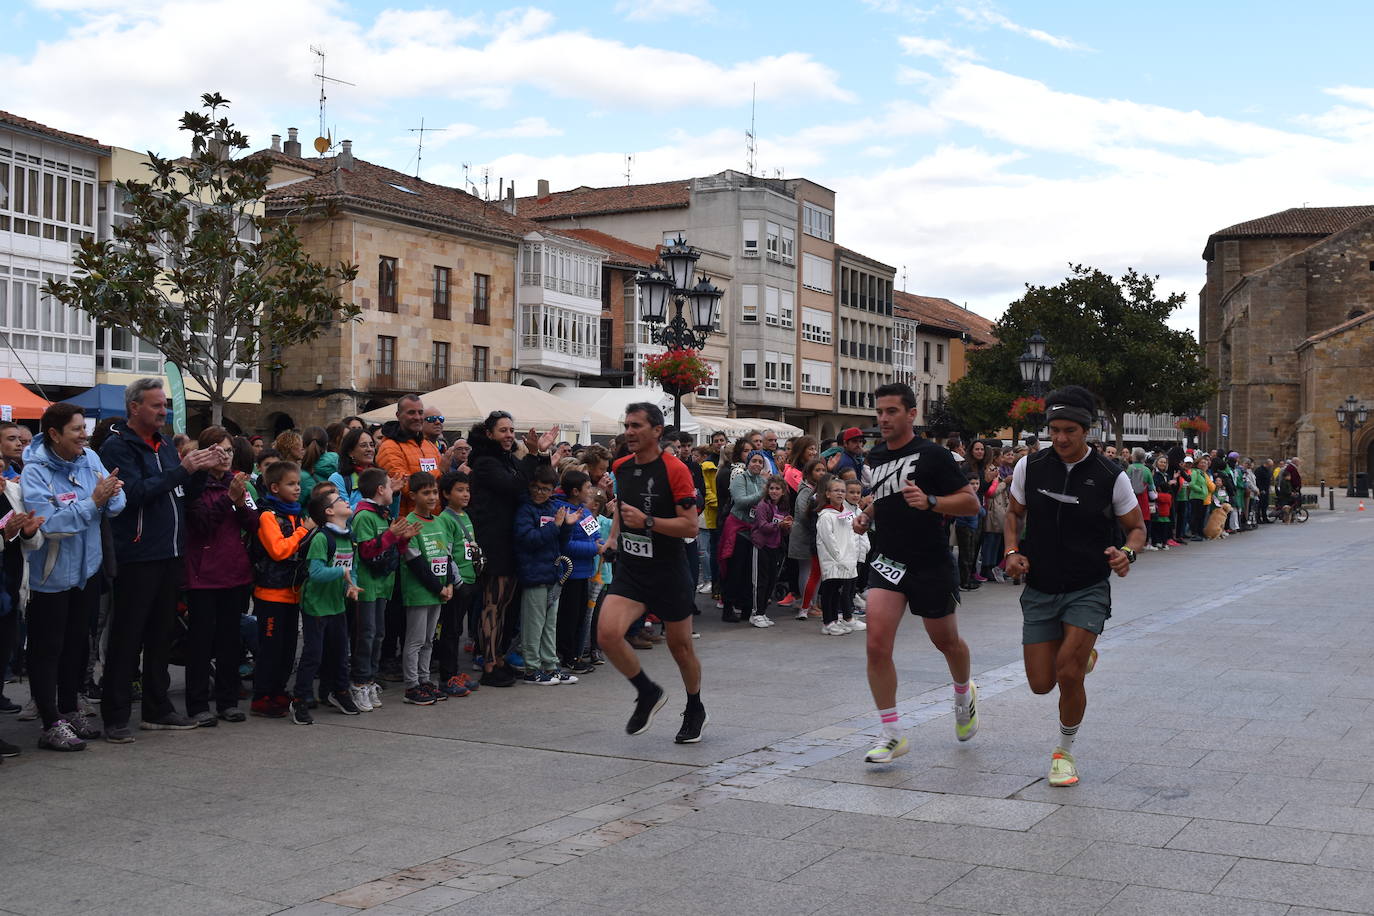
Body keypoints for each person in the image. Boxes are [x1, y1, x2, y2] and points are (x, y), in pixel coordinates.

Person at [1002, 385, 1145, 788]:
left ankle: (1064, 753)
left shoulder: (1109, 476)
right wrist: (1012, 551)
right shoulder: (1030, 468)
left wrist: (1126, 554)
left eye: (1070, 430)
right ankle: (1082, 657)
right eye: (1054, 430)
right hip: (1041, 585)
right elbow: (1013, 514)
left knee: (1067, 674)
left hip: (1087, 586)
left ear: (1087, 430)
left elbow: (1136, 529)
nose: (1061, 438)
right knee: (1040, 683)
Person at [851, 383, 982, 765]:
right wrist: (867, 514)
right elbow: (885, 494)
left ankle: (962, 691)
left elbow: (970, 503)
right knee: (876, 645)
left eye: (892, 411)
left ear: (912, 414)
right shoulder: (875, 455)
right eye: (879, 412)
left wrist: (932, 502)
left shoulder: (935, 456)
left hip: (929, 562)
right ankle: (891, 733)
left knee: (946, 641)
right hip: (889, 561)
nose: (883, 418)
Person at [99, 379, 221, 740]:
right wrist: (182, 470)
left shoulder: (166, 445)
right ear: (134, 407)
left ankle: (158, 708)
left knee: (160, 636)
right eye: (155, 405)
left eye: (164, 405)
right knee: (127, 637)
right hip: (137, 555)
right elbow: (133, 493)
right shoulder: (117, 447)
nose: (163, 411)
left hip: (170, 553)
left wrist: (198, 472)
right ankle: (116, 716)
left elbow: (180, 492)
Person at [597, 402, 706, 743]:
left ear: (657, 430)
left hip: (668, 569)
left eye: (637, 426)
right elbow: (623, 509)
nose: (629, 432)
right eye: (627, 425)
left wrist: (647, 522)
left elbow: (690, 527)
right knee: (607, 634)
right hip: (632, 568)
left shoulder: (676, 470)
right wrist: (614, 537)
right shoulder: (621, 467)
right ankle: (647, 692)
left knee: (680, 647)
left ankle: (694, 706)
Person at [21, 403, 106, 750]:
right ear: (54, 434)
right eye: (76, 430)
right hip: (50, 576)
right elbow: (50, 524)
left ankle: (70, 710)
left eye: (84, 429)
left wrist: (104, 500)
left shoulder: (89, 458)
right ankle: (49, 722)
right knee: (48, 650)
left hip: (87, 570)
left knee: (76, 645)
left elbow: (117, 499)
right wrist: (93, 504)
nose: (84, 436)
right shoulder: (34, 472)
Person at [467, 411, 557, 687]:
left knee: (503, 605)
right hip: (492, 541)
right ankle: (490, 663)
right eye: (503, 430)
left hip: (508, 540)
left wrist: (538, 454)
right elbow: (516, 485)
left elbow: (528, 481)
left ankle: (498, 657)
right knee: (493, 604)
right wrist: (531, 455)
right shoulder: (484, 462)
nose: (508, 435)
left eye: (511, 430)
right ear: (489, 433)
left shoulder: (505, 460)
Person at [184, 426, 258, 726]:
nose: (225, 456)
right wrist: (228, 499)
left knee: (230, 641)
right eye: (218, 451)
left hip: (234, 573)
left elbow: (254, 523)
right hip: (202, 575)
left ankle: (227, 701)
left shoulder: (238, 484)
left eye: (228, 451)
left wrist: (240, 502)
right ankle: (198, 704)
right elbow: (202, 523)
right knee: (201, 643)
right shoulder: (195, 484)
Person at [249, 460, 315, 718]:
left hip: (292, 592)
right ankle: (262, 696)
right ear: (274, 487)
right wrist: (302, 531)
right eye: (291, 484)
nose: (297, 488)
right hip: (271, 593)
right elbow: (278, 551)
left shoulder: (296, 513)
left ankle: (277, 690)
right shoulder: (268, 515)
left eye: (298, 483)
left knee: (288, 649)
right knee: (271, 648)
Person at [291, 489, 362, 725]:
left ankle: (339, 691)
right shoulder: (322, 538)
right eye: (339, 500)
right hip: (316, 607)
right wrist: (341, 572)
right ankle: (299, 699)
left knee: (341, 653)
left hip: (336, 605)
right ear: (329, 511)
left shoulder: (348, 536)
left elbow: (351, 570)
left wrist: (351, 586)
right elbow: (317, 572)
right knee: (313, 655)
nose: (345, 501)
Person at [349, 469, 417, 711]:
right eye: (389, 487)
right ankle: (359, 682)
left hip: (382, 586)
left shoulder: (384, 515)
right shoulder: (364, 516)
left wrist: (403, 539)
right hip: (367, 585)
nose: (393, 491)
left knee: (378, 633)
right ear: (380, 490)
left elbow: (389, 552)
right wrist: (391, 535)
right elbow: (367, 551)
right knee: (365, 635)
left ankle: (371, 678)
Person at [512, 465, 577, 686]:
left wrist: (567, 526)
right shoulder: (525, 510)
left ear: (552, 490)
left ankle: (550, 665)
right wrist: (556, 526)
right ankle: (531, 668)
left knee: (550, 623)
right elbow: (528, 540)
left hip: (551, 572)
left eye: (546, 489)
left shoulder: (553, 508)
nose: (540, 492)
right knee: (534, 623)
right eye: (537, 488)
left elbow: (560, 542)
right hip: (533, 573)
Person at [399, 472, 456, 704]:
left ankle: (424, 680)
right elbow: (416, 562)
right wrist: (437, 587)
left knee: (430, 639)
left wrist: (450, 583)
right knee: (415, 640)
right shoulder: (410, 523)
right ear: (413, 496)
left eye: (434, 492)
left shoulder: (440, 520)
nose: (432, 497)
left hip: (440, 591)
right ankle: (411, 686)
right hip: (421, 591)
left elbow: (447, 554)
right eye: (426, 493)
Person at [436, 470, 481, 696]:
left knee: (457, 629)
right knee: (451, 631)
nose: (465, 495)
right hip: (458, 582)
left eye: (467, 490)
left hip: (470, 578)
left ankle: (454, 672)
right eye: (459, 490)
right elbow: (447, 553)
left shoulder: (465, 515)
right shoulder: (445, 519)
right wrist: (457, 581)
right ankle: (447, 676)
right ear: (446, 493)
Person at [554, 469, 603, 673]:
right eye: (587, 487)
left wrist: (600, 543)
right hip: (569, 573)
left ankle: (575, 653)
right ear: (575, 491)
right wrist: (595, 548)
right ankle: (568, 656)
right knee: (569, 617)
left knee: (580, 615)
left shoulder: (584, 509)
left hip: (586, 571)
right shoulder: (562, 510)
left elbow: (596, 532)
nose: (590, 490)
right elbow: (565, 545)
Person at [376, 394, 443, 517]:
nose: (417, 417)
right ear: (398, 416)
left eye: (420, 412)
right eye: (411, 413)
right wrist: (440, 471)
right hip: (407, 523)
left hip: (434, 520)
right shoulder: (389, 446)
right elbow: (405, 487)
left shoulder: (429, 445)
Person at [722, 452, 767, 623]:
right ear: (748, 463)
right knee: (735, 570)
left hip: (755, 531)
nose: (757, 464)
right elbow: (740, 501)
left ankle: (747, 607)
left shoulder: (763, 481)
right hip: (738, 529)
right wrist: (762, 494)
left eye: (760, 462)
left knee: (751, 572)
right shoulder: (740, 479)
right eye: (754, 461)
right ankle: (728, 608)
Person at [815, 476, 857, 636]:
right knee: (829, 591)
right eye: (836, 490)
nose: (840, 493)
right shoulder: (826, 516)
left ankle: (835, 619)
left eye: (842, 491)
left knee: (837, 592)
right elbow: (828, 540)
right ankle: (828, 622)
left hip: (845, 560)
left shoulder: (847, 513)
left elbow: (851, 535)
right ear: (827, 494)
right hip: (832, 560)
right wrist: (838, 558)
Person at [786, 459, 828, 620]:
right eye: (818, 470)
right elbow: (805, 514)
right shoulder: (805, 491)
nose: (821, 473)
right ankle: (808, 603)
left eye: (823, 470)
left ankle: (812, 602)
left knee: (815, 571)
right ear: (809, 474)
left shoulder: (817, 490)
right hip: (804, 535)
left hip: (812, 534)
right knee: (807, 570)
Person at [747, 476, 790, 628]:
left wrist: (786, 527)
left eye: (777, 489)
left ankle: (762, 612)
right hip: (761, 546)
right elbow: (763, 526)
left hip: (774, 547)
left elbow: (781, 529)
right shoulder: (762, 506)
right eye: (771, 488)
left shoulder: (783, 508)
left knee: (771, 581)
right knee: (760, 581)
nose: (774, 491)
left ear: (783, 491)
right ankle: (755, 613)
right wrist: (779, 525)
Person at [329, 427, 381, 508]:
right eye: (363, 445)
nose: (370, 449)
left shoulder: (381, 476)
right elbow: (343, 513)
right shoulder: (338, 479)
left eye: (372, 445)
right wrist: (373, 499)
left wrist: (394, 494)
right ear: (350, 452)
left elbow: (390, 514)